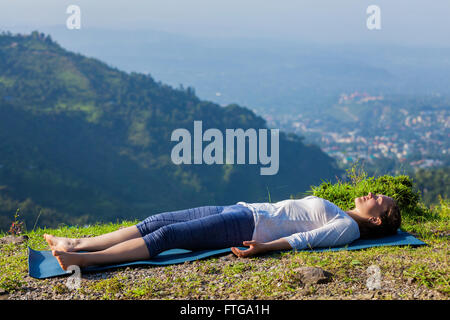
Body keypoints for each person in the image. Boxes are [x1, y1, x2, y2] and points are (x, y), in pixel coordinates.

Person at [44, 192, 401, 270]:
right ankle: (77, 242)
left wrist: (265, 247)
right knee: (156, 221)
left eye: (378, 201)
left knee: (168, 238)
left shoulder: (346, 230)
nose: (372, 194)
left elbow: (305, 240)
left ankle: (87, 260)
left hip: (247, 226)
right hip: (242, 209)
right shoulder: (343, 213)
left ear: (376, 220)